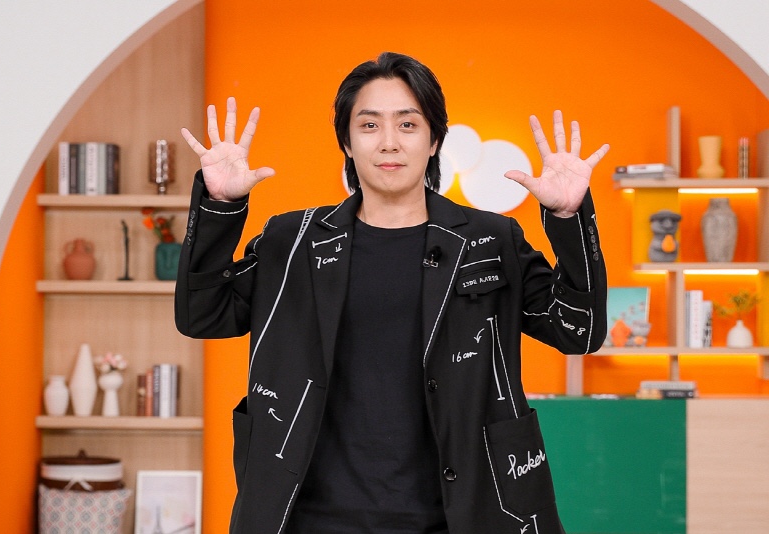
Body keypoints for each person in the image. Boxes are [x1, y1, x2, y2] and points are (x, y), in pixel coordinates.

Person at [175, 51, 609, 534]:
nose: (389, 142)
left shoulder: (491, 240)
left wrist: (568, 219)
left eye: (407, 124)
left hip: (464, 514)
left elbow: (579, 331)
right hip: (309, 518)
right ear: (346, 141)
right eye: (369, 125)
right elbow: (202, 314)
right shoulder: (291, 241)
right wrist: (221, 205)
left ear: (434, 140)